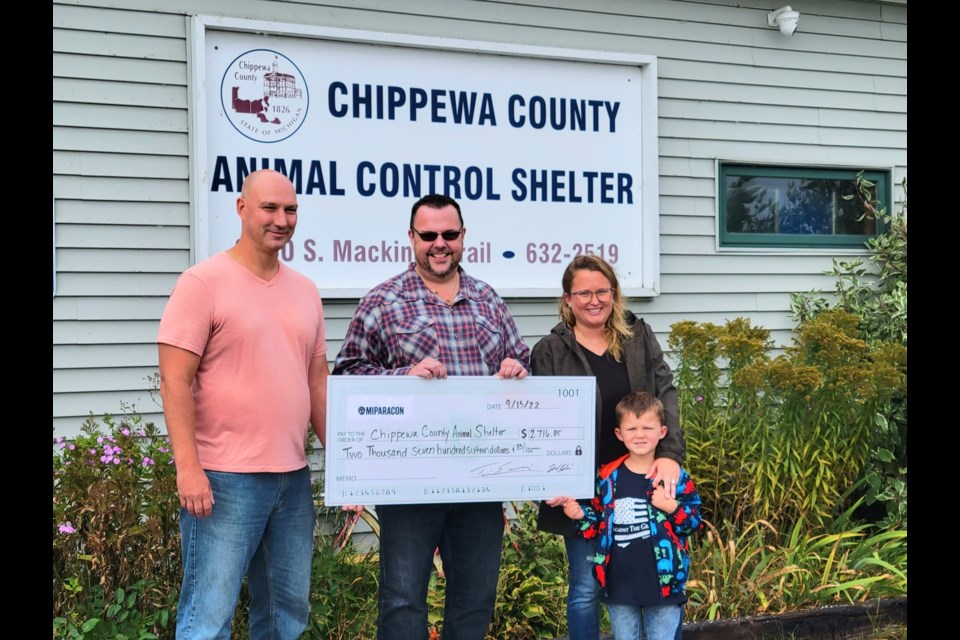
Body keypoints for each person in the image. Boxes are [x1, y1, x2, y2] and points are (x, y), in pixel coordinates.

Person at [332, 193, 530, 640]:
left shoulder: (488, 299)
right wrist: (405, 376)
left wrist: (517, 371)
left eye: (449, 234)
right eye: (429, 235)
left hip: (481, 479)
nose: (439, 244)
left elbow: (521, 360)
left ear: (463, 237)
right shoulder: (383, 301)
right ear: (411, 238)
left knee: (475, 600)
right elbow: (348, 376)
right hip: (410, 482)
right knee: (403, 603)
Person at [157, 169, 328, 639]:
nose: (282, 219)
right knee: (208, 618)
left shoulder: (306, 291)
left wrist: (348, 460)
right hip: (223, 480)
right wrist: (188, 469)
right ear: (241, 208)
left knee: (285, 618)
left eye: (290, 209)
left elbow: (317, 380)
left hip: (292, 480)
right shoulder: (203, 283)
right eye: (270, 208)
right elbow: (174, 381)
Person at [533, 255, 686, 640]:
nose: (594, 300)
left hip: (640, 478)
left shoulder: (638, 338)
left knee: (652, 575)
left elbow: (665, 392)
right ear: (567, 299)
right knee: (586, 587)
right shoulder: (550, 351)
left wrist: (669, 455)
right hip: (583, 488)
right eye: (583, 292)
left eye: (602, 290)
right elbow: (538, 422)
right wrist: (549, 477)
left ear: (614, 294)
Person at [560, 391, 702, 640]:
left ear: (662, 432)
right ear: (619, 434)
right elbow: (597, 526)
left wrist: (671, 507)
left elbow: (693, 522)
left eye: (648, 427)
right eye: (632, 428)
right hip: (620, 585)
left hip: (664, 584)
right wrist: (580, 514)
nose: (639, 435)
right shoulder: (607, 479)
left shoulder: (674, 478)